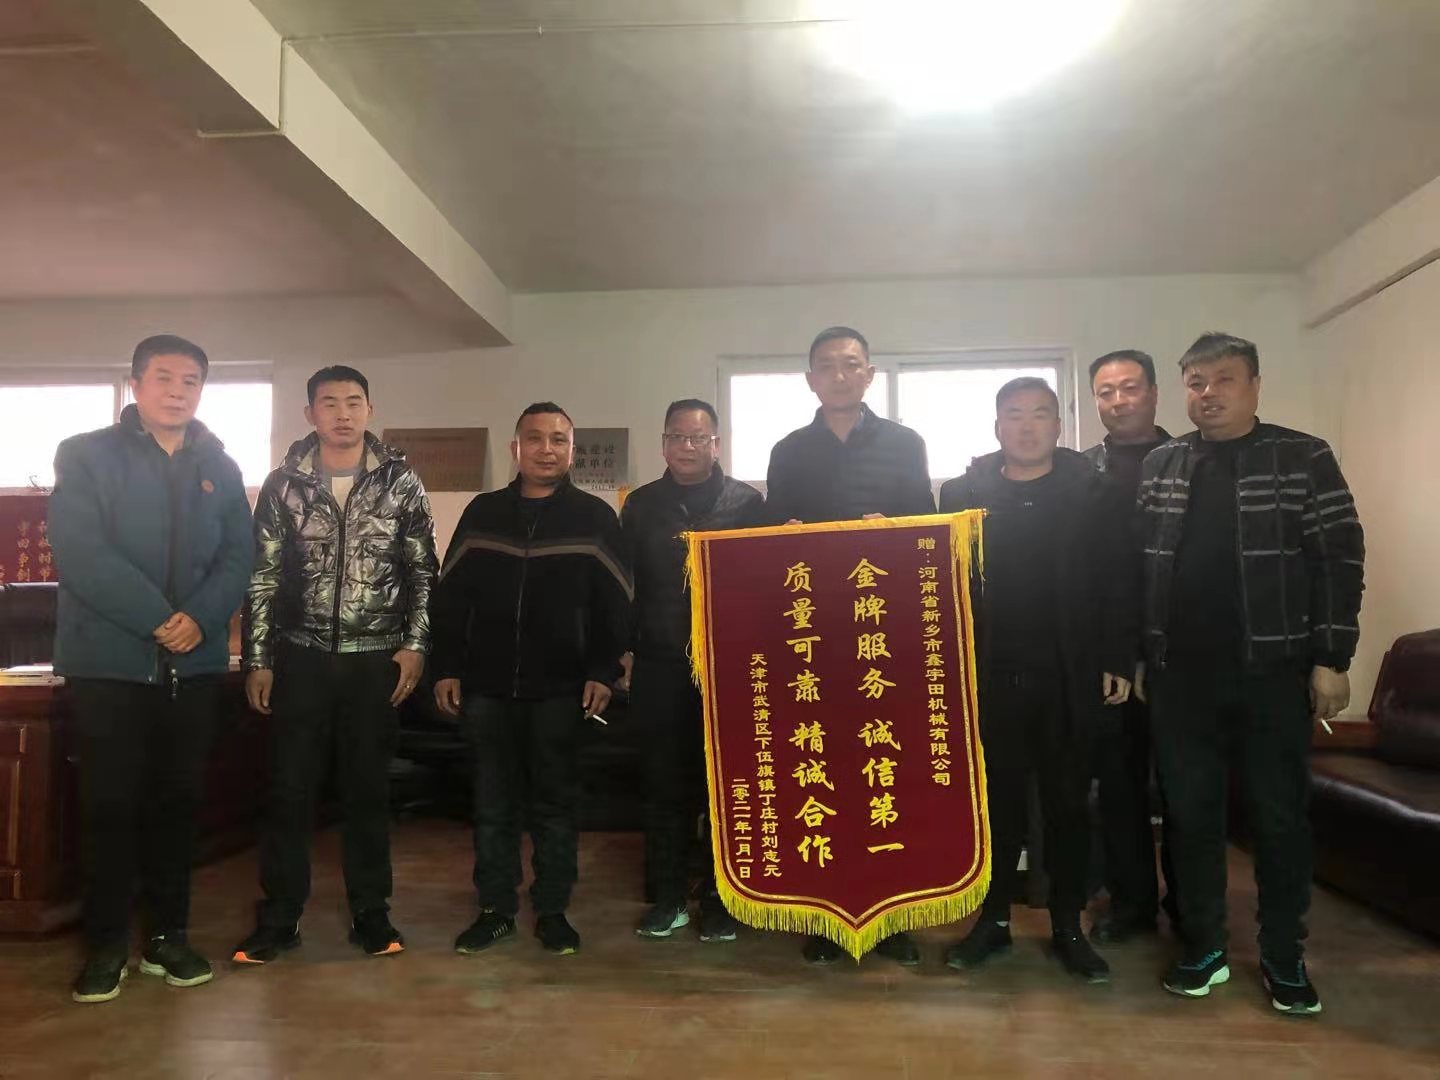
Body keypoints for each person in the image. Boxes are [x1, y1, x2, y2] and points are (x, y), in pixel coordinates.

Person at [1137, 333, 1364, 1016]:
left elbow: (1340, 557)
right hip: (1181, 677)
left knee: (1278, 817)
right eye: (1196, 382)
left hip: (1273, 671)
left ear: (1255, 385)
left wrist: (1333, 657)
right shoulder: (1163, 463)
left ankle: (1283, 953)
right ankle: (1203, 945)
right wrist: (1141, 654)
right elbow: (1141, 566)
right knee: (1189, 816)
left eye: (1225, 379)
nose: (1209, 393)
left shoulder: (1302, 456)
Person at [49, 334, 252, 1004]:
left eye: (190, 380)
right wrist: (159, 618)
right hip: (109, 665)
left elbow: (238, 554)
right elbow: (81, 551)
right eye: (163, 377)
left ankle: (168, 936)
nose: (177, 391)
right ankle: (106, 945)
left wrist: (201, 618)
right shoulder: (86, 454)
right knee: (109, 806)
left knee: (178, 804)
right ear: (135, 384)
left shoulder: (219, 465)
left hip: (191, 668)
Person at [233, 366, 437, 965]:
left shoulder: (400, 481)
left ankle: (371, 912)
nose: (342, 413)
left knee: (368, 791)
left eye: (353, 402)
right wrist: (258, 657)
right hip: (301, 656)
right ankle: (280, 916)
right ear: (310, 414)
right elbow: (263, 577)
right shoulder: (284, 485)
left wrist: (415, 644)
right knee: (289, 791)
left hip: (375, 660)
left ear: (370, 410)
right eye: (329, 403)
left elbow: (423, 571)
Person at [938, 377, 1136, 985]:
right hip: (989, 676)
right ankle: (992, 920)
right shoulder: (962, 494)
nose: (1027, 427)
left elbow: (1119, 581)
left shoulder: (1094, 492)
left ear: (1058, 424)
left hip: (1068, 677)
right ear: (997, 426)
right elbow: (932, 577)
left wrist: (1117, 659)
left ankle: (1067, 927)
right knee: (994, 808)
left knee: (1067, 807)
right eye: (1015, 415)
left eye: (1040, 414)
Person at [431, 402, 632, 957]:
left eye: (559, 439)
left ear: (573, 449)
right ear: (515, 448)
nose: (548, 449)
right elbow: (450, 599)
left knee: (554, 805)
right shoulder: (483, 513)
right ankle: (495, 908)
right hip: (487, 686)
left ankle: (552, 910)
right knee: (492, 803)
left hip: (562, 689)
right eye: (536, 438)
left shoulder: (595, 518)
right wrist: (447, 666)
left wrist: (603, 671)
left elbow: (616, 606)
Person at [764, 326, 935, 967]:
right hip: (813, 641)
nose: (839, 375)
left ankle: (894, 916)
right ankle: (829, 914)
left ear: (870, 374)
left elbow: (924, 530)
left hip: (883, 637)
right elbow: (770, 538)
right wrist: (788, 534)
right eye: (827, 366)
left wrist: (890, 532)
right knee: (824, 774)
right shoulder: (788, 450)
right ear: (810, 379)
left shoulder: (905, 443)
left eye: (851, 364)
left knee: (889, 773)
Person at [624, 399, 763, 943]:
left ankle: (722, 899)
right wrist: (623, 652)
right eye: (678, 437)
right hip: (659, 663)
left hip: (729, 666)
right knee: (663, 783)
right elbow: (625, 585)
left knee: (725, 786)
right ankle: (668, 898)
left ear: (716, 445)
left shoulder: (747, 504)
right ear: (664, 444)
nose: (688, 446)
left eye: (698, 438)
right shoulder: (640, 506)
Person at [1082, 350, 1176, 944]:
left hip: (1179, 654)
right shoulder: (1081, 471)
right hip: (1110, 658)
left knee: (1185, 790)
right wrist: (1117, 654)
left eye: (1130, 388)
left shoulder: (1192, 459)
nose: (1118, 401)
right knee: (1118, 788)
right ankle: (1132, 903)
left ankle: (1191, 910)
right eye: (1106, 391)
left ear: (1154, 392)